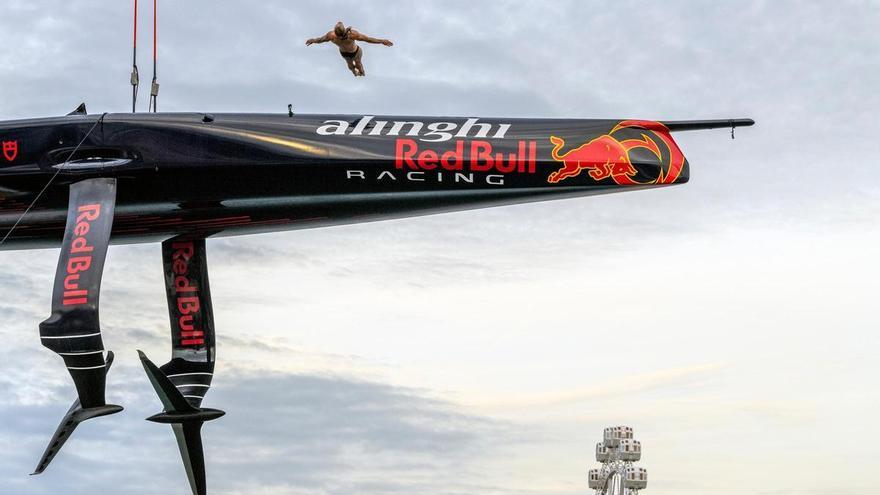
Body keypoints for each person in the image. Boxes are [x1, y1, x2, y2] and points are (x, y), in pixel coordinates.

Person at [306, 21, 393, 77]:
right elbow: (321, 39)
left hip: (356, 51)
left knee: (358, 64)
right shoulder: (331, 36)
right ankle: (355, 73)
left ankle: (362, 72)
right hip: (344, 54)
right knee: (350, 66)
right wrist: (313, 40)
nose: (340, 38)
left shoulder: (352, 35)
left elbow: (368, 39)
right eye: (338, 37)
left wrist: (382, 41)